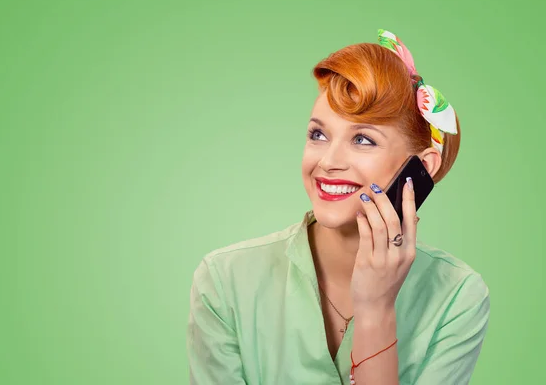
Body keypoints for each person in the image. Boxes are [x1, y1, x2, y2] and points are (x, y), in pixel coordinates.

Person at [186, 29, 490, 385]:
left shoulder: (457, 296)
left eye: (363, 139)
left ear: (422, 168)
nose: (328, 161)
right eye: (318, 134)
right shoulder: (225, 280)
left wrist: (376, 309)